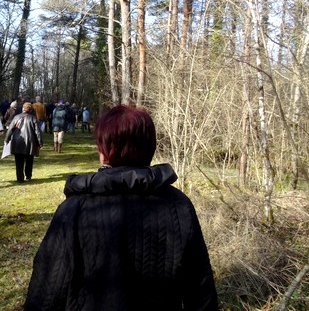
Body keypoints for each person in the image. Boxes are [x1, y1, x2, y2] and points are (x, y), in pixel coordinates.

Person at [24, 105, 218, 311]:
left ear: (104, 148)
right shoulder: (178, 205)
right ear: (149, 147)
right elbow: (200, 291)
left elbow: (46, 290)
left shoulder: (74, 209)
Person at [5, 102, 43, 183]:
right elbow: (38, 132)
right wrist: (40, 143)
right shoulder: (33, 118)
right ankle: (28, 176)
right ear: (30, 110)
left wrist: (6, 139)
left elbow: (10, 129)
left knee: (19, 162)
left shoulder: (16, 117)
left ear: (23, 108)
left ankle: (20, 178)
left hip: (17, 142)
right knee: (29, 160)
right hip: (30, 142)